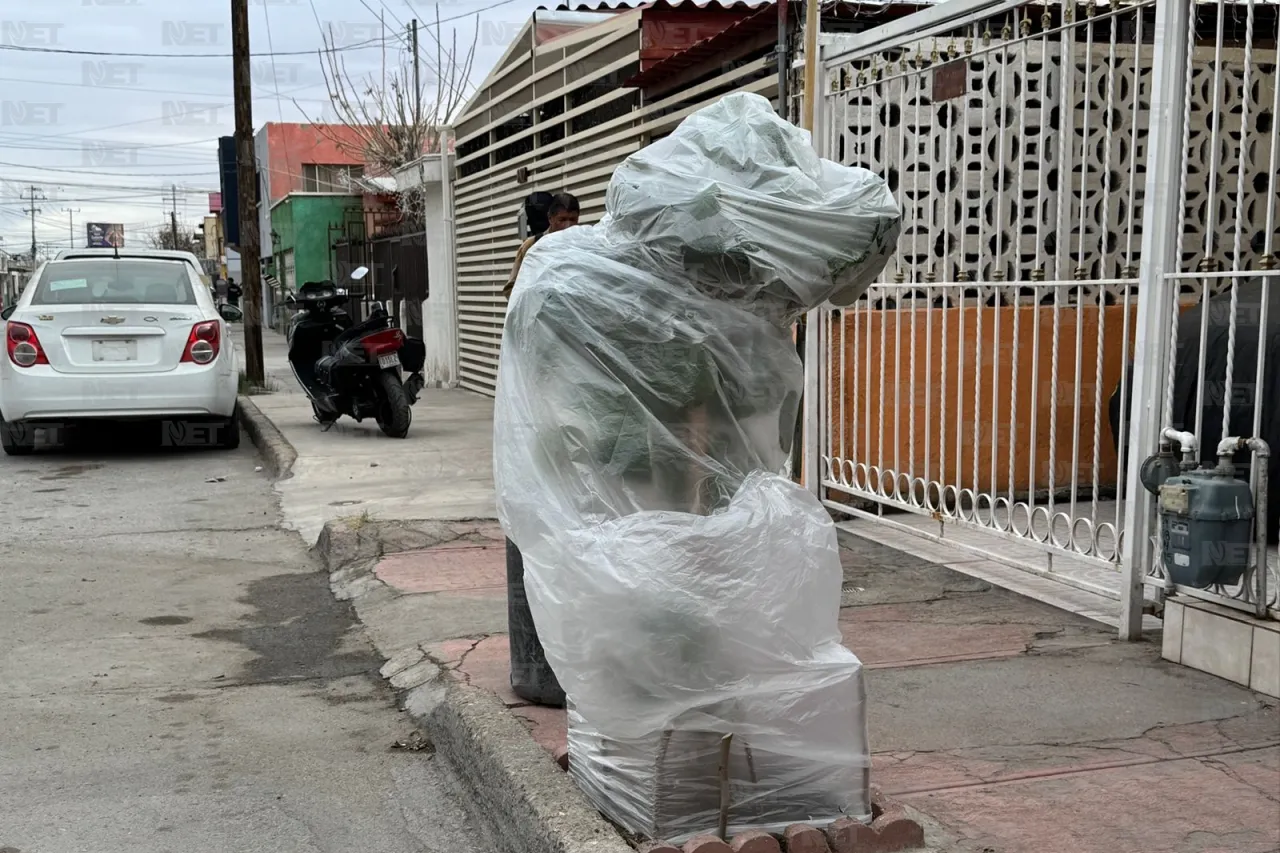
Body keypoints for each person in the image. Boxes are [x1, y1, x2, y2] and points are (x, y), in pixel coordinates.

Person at [502, 190, 578, 708]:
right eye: (564, 218)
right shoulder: (539, 254)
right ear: (549, 221)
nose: (571, 225)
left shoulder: (572, 254)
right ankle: (540, 666)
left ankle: (553, 664)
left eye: (576, 217)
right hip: (541, 403)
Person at [502, 192, 579, 301]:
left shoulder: (583, 244)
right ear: (550, 218)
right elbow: (510, 289)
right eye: (562, 219)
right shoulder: (532, 245)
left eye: (572, 219)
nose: (568, 225)